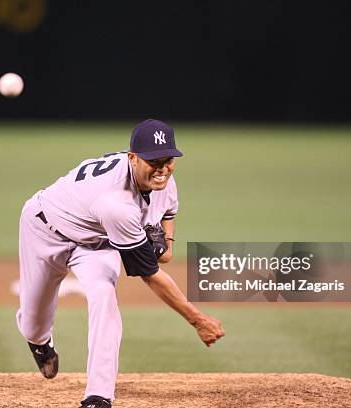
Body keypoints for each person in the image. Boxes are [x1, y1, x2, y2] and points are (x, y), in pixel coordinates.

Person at [16, 119, 225, 408]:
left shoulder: (162, 178)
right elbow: (150, 275)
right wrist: (198, 320)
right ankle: (39, 341)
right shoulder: (115, 203)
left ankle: (98, 395)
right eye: (154, 160)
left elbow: (168, 214)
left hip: (96, 243)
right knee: (33, 320)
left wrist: (167, 243)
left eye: (168, 159)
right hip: (44, 229)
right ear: (132, 157)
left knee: (104, 295)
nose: (163, 167)